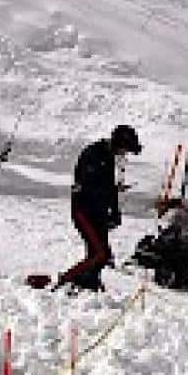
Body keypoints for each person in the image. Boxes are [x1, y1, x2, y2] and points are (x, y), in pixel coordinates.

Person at [56, 124, 143, 291]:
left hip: (97, 212)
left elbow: (108, 188)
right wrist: (111, 191)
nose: (124, 154)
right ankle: (66, 279)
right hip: (84, 211)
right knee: (99, 254)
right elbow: (88, 185)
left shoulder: (108, 156)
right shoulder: (94, 154)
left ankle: (89, 282)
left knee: (103, 256)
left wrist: (115, 212)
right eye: (125, 150)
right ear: (118, 143)